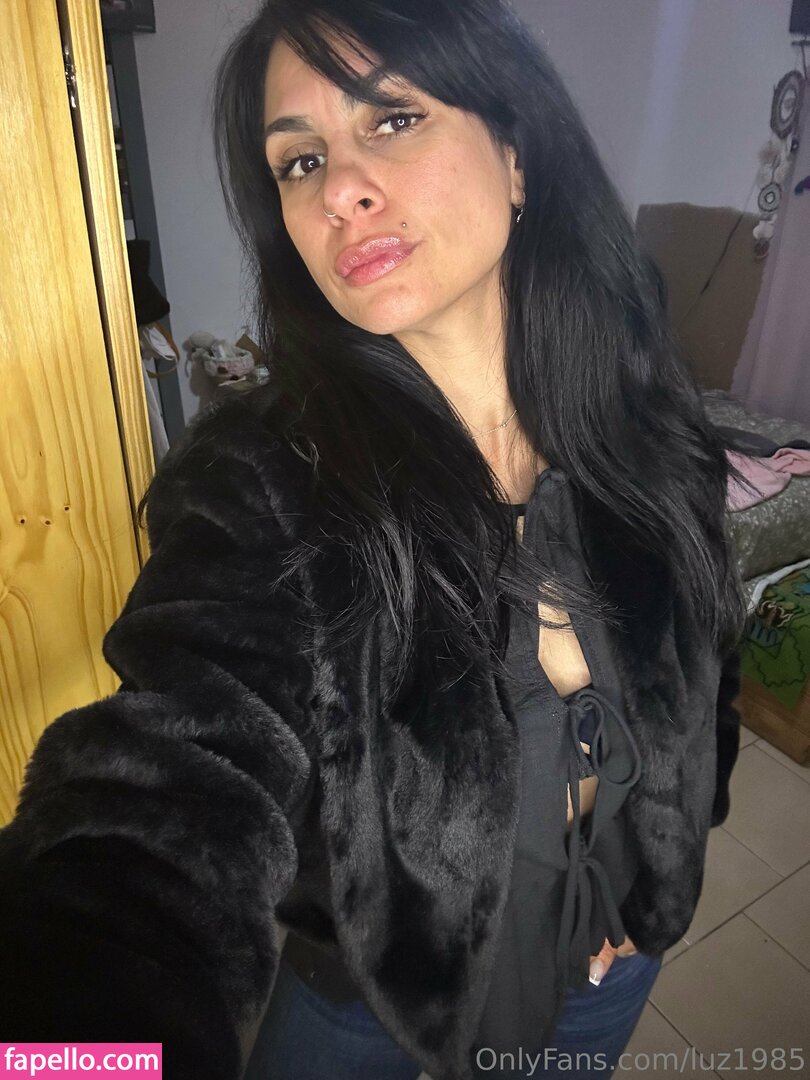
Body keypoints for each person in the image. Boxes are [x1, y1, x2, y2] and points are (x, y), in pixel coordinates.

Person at [0, 1, 745, 1078]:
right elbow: (162, 810)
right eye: (299, 162)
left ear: (517, 155)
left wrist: (668, 856)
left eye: (393, 119)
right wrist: (63, 1055)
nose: (339, 190)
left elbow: (708, 646)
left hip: (608, 968)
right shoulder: (266, 482)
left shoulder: (642, 402)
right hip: (376, 1019)